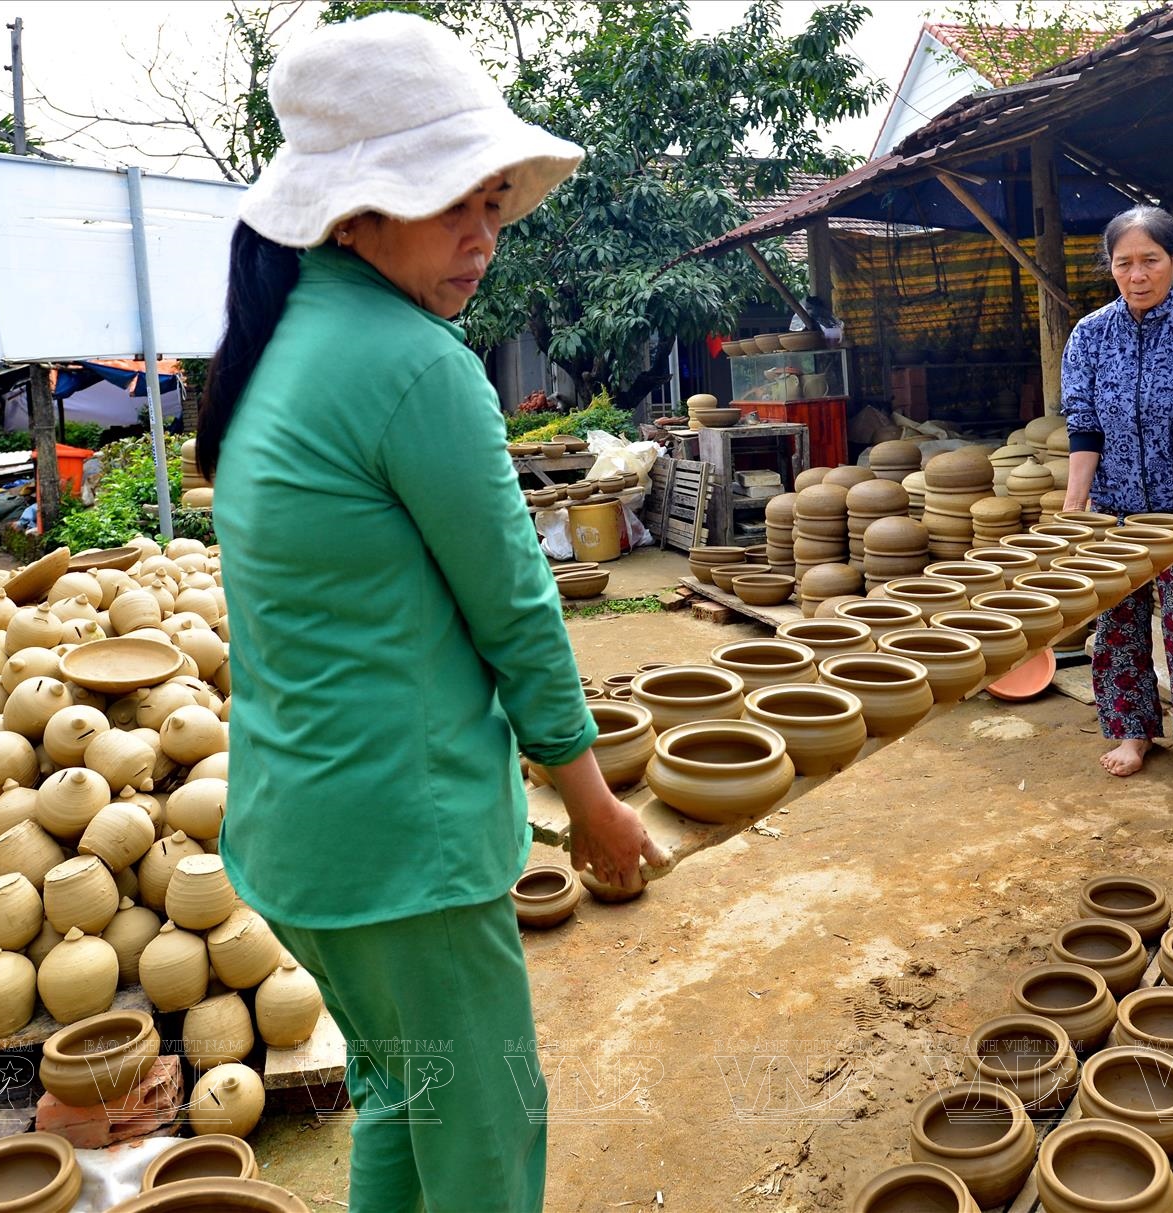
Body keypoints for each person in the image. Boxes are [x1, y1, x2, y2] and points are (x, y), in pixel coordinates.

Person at [195, 13, 662, 1211]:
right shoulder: (413, 364)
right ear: (351, 213)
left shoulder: (278, 347)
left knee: (409, 1090)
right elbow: (516, 612)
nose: (482, 239)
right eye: (451, 203)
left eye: (493, 205)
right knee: (487, 1137)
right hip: (402, 848)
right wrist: (597, 808)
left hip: (303, 839)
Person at [1061, 206, 1173, 780]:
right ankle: (1133, 731)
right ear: (1111, 268)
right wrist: (1073, 509)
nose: (1138, 275)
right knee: (1116, 620)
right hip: (1114, 506)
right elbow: (1083, 423)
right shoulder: (1089, 334)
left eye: (1150, 261)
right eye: (1124, 263)